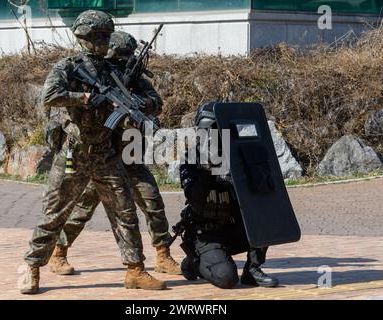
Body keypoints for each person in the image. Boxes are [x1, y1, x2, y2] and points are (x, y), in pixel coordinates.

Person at [19, 10, 166, 294]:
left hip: (105, 155)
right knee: (55, 214)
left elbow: (143, 98)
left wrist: (135, 104)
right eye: (100, 36)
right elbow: (48, 96)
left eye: (107, 36)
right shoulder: (70, 67)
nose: (104, 41)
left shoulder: (112, 70)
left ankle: (135, 270)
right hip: (73, 154)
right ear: (85, 37)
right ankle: (32, 267)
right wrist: (85, 98)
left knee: (124, 212)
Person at [48, 31, 181, 277]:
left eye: (127, 57)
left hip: (128, 155)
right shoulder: (98, 75)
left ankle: (163, 255)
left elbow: (156, 102)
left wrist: (142, 103)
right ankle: (59, 253)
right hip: (101, 156)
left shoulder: (135, 79)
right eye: (120, 56)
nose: (123, 61)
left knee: (153, 202)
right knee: (82, 209)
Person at [177, 102, 279, 289]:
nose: (213, 135)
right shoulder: (191, 158)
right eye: (210, 130)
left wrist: (245, 171)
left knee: (264, 218)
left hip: (233, 227)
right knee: (226, 278)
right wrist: (207, 171)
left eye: (217, 129)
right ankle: (194, 261)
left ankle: (252, 270)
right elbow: (196, 200)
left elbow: (263, 193)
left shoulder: (238, 155)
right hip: (207, 232)